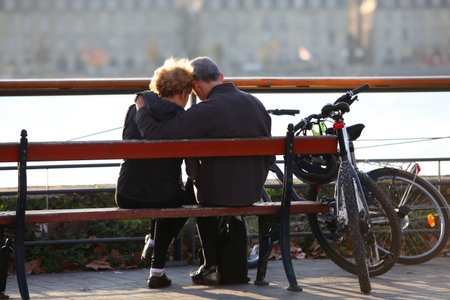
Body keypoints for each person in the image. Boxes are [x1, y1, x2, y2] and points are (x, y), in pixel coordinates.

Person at [135, 56, 274, 285]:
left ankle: (204, 265)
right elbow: (270, 158)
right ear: (220, 77)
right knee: (198, 185)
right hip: (252, 193)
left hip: (216, 196)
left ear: (196, 86)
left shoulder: (204, 111)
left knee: (191, 188)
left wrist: (141, 105)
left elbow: (154, 135)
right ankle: (205, 264)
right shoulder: (255, 103)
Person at [115, 57, 195, 288]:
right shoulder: (184, 118)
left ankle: (152, 242)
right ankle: (157, 269)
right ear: (183, 93)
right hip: (165, 196)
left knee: (160, 185)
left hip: (126, 194)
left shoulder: (133, 110)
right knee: (183, 196)